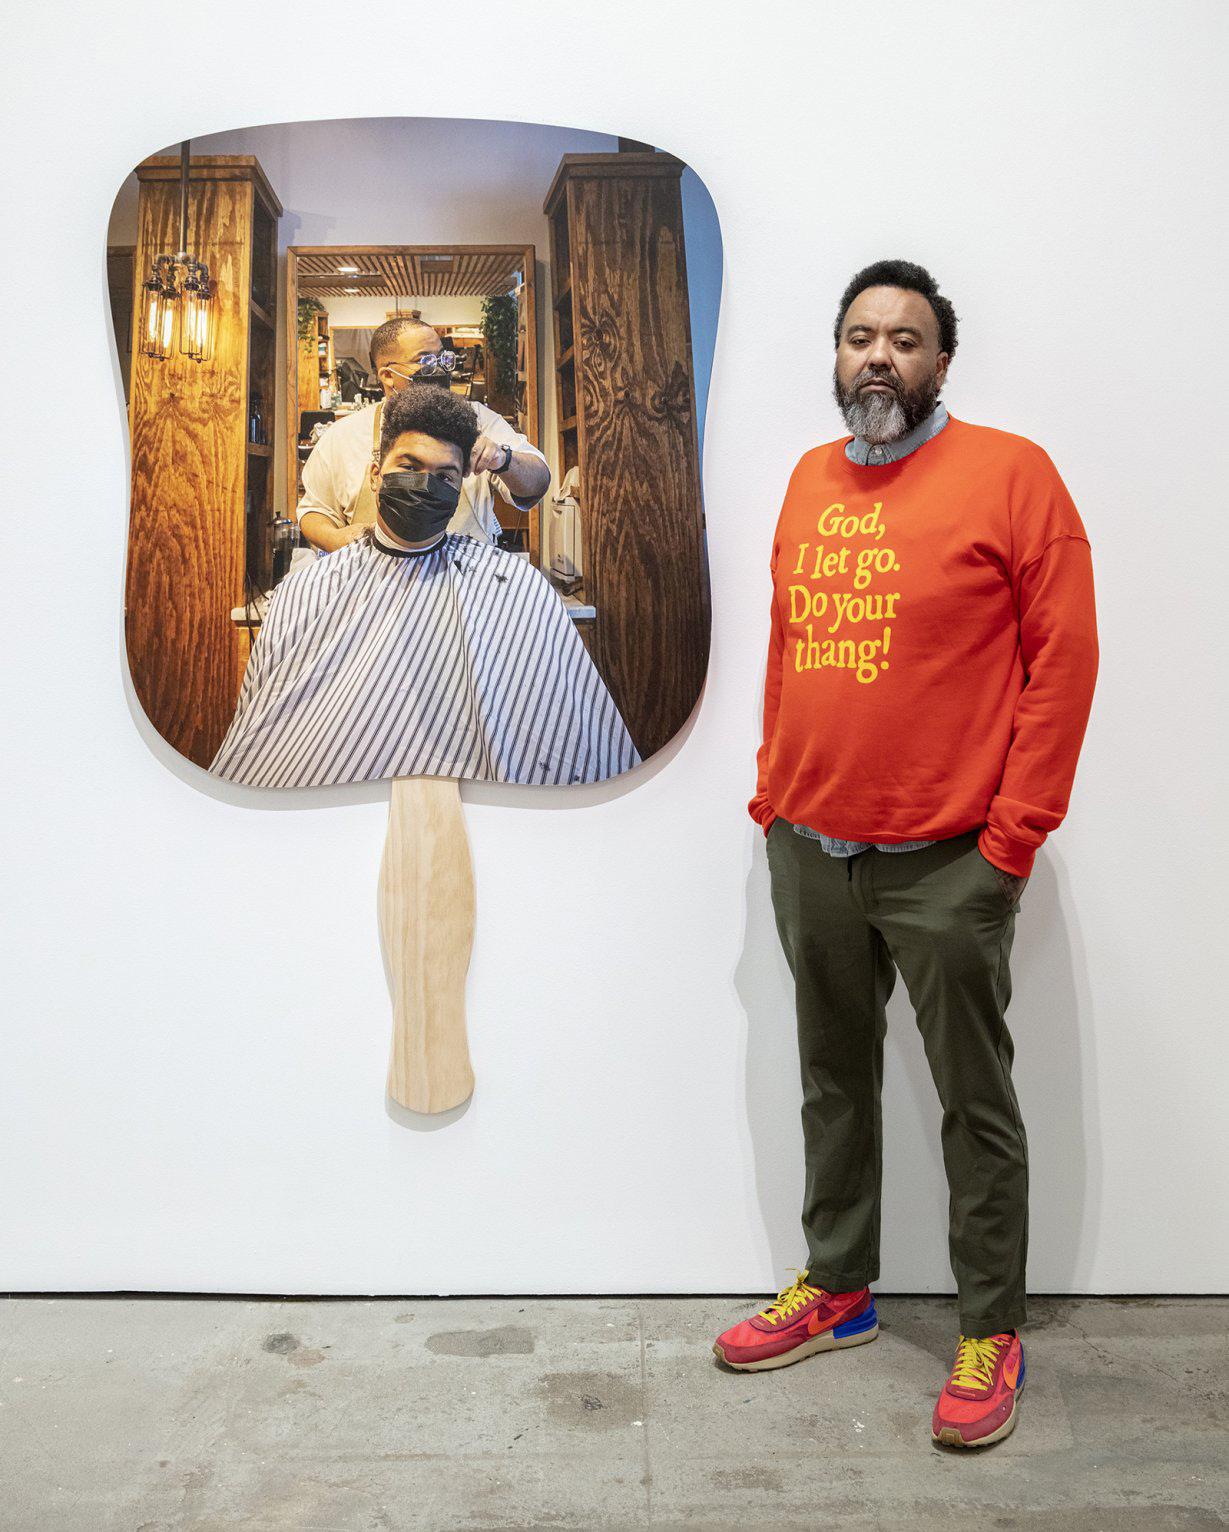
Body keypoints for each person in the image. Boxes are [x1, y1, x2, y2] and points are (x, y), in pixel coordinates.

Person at [714, 260, 1099, 1450]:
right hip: (810, 846)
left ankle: (989, 1326)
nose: (877, 355)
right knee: (830, 1076)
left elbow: (1063, 661)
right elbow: (789, 643)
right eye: (858, 336)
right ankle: (838, 1285)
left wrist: (1010, 835)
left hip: (946, 856)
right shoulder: (806, 478)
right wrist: (773, 789)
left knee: (971, 1098)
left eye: (904, 338)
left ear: (940, 360)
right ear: (835, 354)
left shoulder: (1011, 474)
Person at [212, 386, 637, 789]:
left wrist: (501, 456)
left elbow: (566, 739)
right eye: (409, 468)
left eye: (445, 477)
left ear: (460, 486)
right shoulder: (307, 592)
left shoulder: (513, 586)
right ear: (376, 475)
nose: (425, 485)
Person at [296, 315, 551, 552]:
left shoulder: (479, 420)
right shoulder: (344, 436)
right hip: (377, 576)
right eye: (425, 361)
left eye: (442, 359)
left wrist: (502, 459)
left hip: (465, 574)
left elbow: (538, 482)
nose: (439, 370)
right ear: (387, 375)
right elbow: (315, 511)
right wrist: (336, 539)